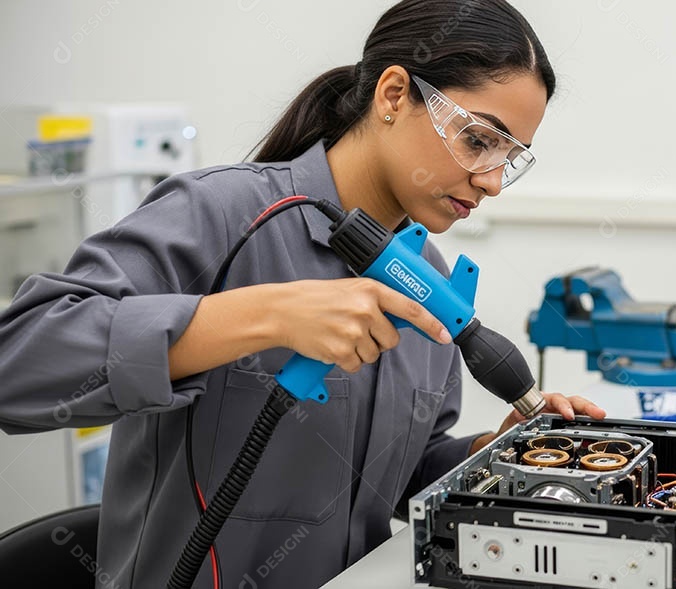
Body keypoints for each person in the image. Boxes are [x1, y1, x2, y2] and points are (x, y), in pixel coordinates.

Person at [0, 1, 606, 586]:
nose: (492, 182)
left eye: (511, 157)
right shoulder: (221, 215)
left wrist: (491, 452)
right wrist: (264, 315)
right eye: (478, 140)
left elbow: (397, 480)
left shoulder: (428, 277)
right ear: (394, 95)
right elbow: (19, 363)